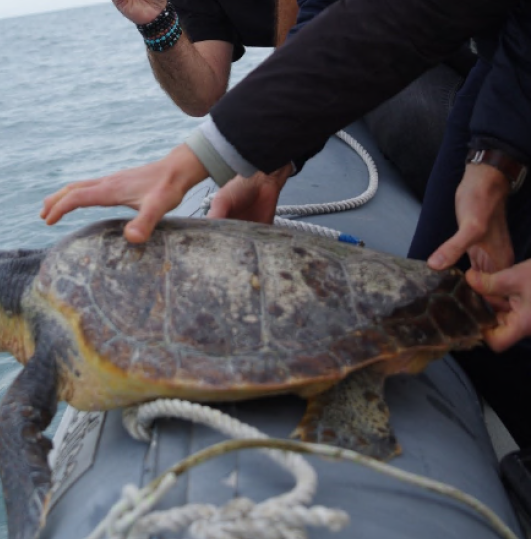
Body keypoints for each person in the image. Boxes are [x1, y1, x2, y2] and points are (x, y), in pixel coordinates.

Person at [41, 0, 531, 446]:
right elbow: (358, 18)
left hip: (469, 59)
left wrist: (200, 157)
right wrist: (262, 159)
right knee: (458, 306)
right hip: (505, 54)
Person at [117, 0, 476, 199]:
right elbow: (201, 97)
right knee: (418, 119)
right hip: (363, 56)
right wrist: (156, 22)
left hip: (432, 24)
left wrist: (283, 125)